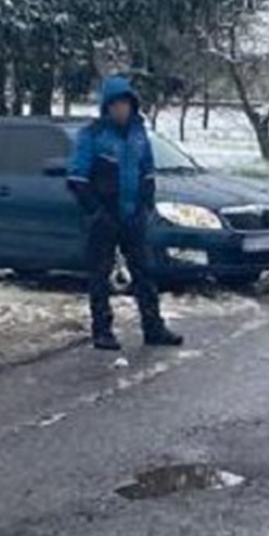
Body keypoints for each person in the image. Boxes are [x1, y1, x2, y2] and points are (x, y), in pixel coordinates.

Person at [68, 75, 181, 351]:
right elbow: (77, 178)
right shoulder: (92, 135)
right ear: (107, 107)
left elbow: (148, 170)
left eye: (125, 104)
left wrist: (146, 202)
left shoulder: (138, 133)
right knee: (100, 274)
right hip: (104, 216)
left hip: (133, 215)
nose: (121, 110)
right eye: (116, 105)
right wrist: (96, 211)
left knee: (145, 271)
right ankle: (102, 330)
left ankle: (153, 326)